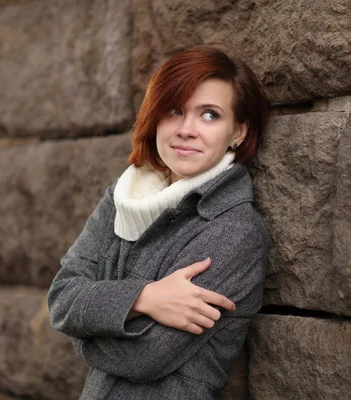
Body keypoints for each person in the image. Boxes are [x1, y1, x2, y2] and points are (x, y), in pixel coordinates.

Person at [47, 46, 270, 400]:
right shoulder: (122, 199)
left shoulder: (232, 229)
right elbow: (61, 299)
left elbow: (143, 357)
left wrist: (84, 335)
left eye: (209, 115)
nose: (186, 130)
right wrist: (143, 297)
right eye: (175, 111)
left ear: (238, 132)